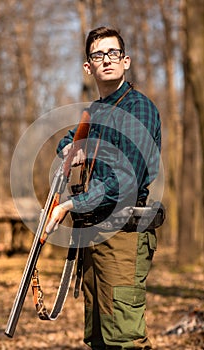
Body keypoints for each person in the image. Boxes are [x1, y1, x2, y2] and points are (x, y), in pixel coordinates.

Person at [46, 27, 161, 350]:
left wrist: (70, 205)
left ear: (125, 61)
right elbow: (69, 141)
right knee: (98, 337)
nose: (106, 60)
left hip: (123, 235)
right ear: (88, 67)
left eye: (113, 54)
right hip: (95, 234)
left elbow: (126, 181)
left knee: (124, 338)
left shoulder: (138, 108)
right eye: (98, 55)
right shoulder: (97, 111)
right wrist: (72, 149)